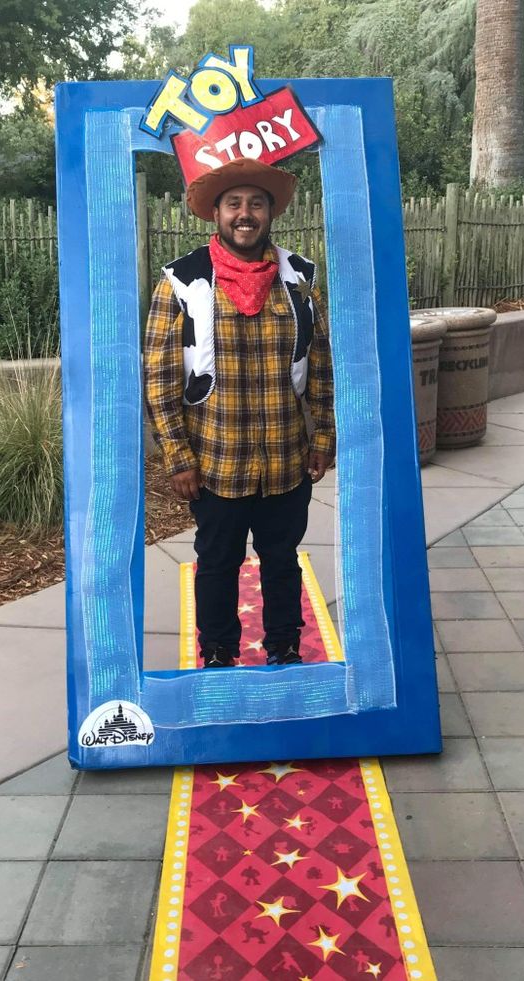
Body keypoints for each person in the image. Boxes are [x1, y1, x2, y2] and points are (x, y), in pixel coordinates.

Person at [144, 157, 335, 669]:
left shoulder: (299, 280)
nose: (245, 214)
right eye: (234, 204)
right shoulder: (182, 283)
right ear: (216, 214)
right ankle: (221, 654)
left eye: (256, 203)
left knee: (281, 561)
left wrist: (323, 437)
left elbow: (320, 362)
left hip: (285, 459)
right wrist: (177, 457)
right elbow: (160, 379)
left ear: (270, 212)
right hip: (214, 463)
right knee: (218, 563)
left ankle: (285, 649)